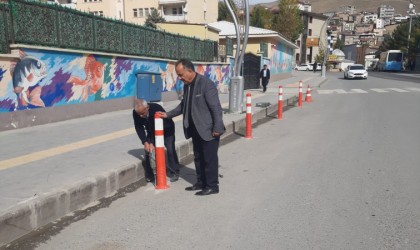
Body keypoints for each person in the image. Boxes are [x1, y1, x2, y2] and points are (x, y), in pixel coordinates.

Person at [158, 58, 225, 196]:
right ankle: (201, 182)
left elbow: (215, 108)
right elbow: (184, 105)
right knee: (198, 157)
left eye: (181, 75)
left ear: (189, 71)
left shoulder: (206, 84)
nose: (180, 78)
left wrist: (217, 127)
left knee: (209, 158)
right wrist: (168, 115)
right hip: (195, 129)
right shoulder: (187, 85)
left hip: (208, 129)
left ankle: (212, 186)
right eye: (178, 75)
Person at [133, 98, 180, 183]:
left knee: (170, 149)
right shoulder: (136, 112)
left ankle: (174, 172)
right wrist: (145, 142)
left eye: (142, 113)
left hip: (166, 129)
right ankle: (150, 174)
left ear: (147, 108)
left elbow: (156, 127)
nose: (140, 116)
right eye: (138, 114)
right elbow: (138, 127)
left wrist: (152, 142)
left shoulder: (155, 109)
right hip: (152, 131)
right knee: (148, 151)